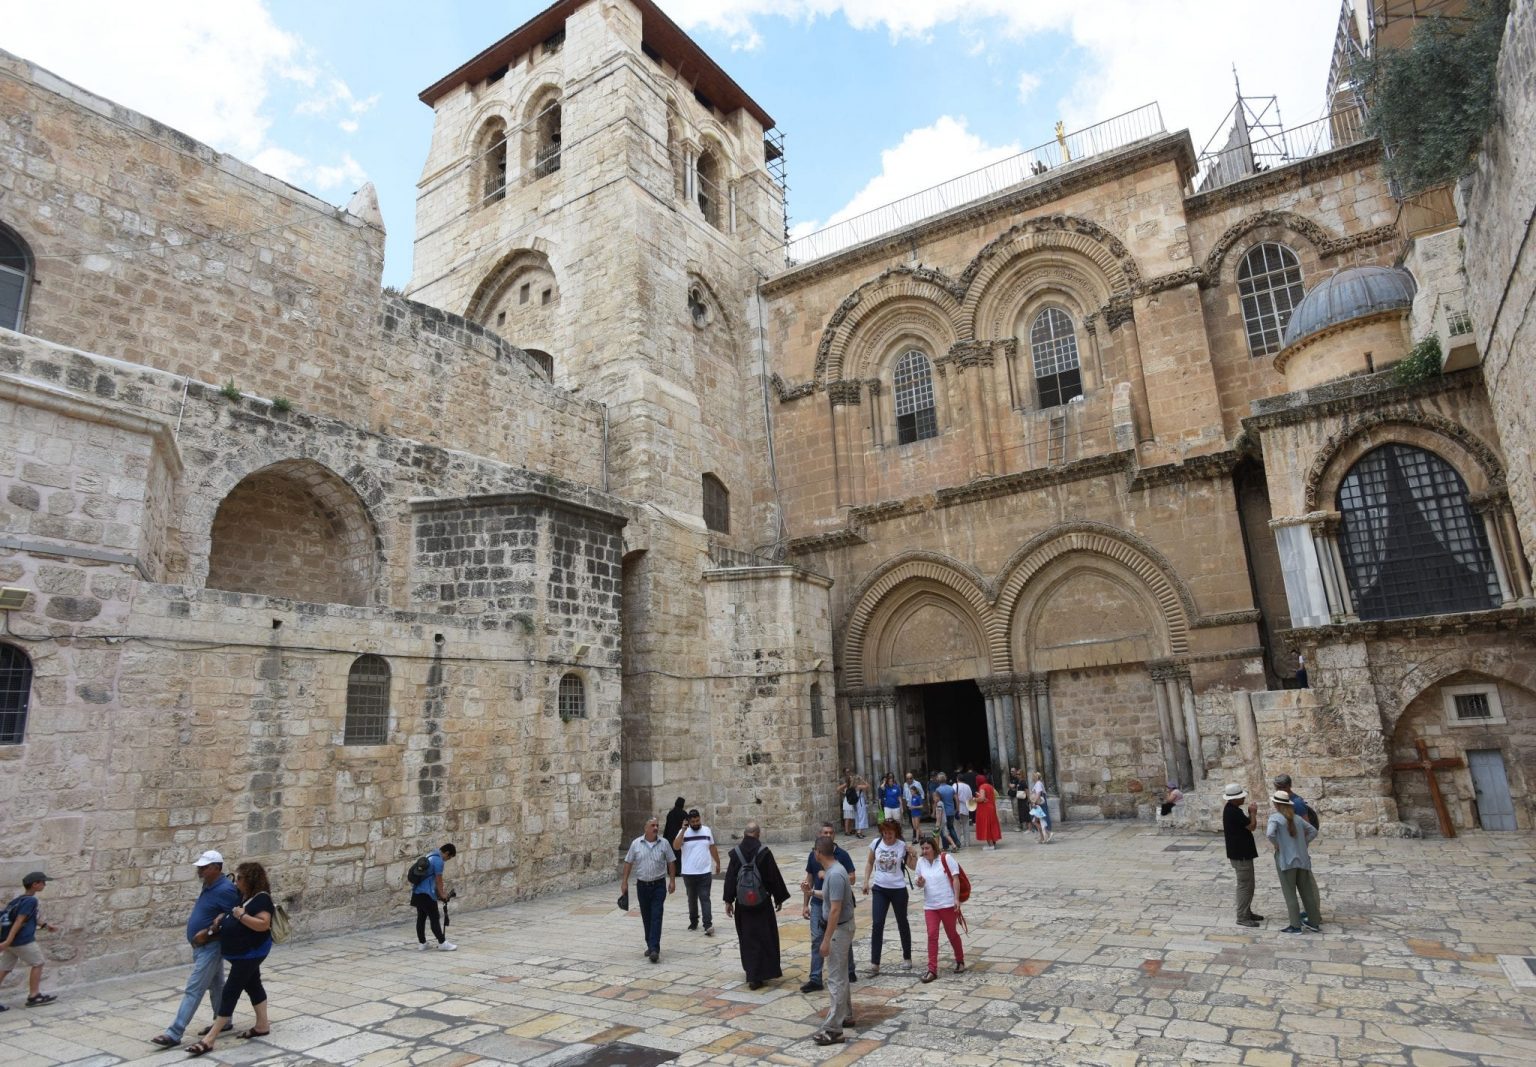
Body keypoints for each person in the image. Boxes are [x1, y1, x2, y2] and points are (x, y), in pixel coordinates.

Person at [150, 851, 242, 1046]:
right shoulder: (209, 884)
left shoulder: (225, 889)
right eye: (200, 866)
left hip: (211, 946)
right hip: (202, 946)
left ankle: (174, 1032)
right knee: (216, 985)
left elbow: (232, 921)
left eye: (204, 867)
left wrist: (208, 934)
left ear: (217, 868)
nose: (200, 870)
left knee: (194, 988)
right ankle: (224, 1020)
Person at [184, 861, 274, 1056]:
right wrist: (223, 918)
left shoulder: (262, 899)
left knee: (230, 991)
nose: (236, 881)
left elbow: (263, 924)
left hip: (251, 953)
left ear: (250, 880)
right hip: (241, 953)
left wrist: (240, 916)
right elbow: (234, 913)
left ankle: (210, 1039)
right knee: (253, 985)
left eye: (239, 878)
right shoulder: (244, 897)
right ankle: (262, 1025)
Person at [722, 821, 792, 990]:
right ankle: (765, 971)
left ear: (745, 834)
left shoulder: (735, 854)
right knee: (765, 936)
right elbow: (773, 877)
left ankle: (752, 974)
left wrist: (728, 900)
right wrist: (779, 898)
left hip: (743, 905)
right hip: (762, 903)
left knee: (747, 938)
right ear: (758, 834)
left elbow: (730, 878)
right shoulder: (764, 853)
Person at [799, 821, 856, 994]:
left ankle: (849, 969)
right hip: (818, 902)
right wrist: (805, 904)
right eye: (825, 833)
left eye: (831, 833)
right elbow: (809, 878)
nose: (829, 835)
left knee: (841, 937)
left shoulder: (841, 856)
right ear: (819, 835)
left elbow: (852, 878)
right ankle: (815, 978)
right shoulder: (813, 856)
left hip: (836, 902)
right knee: (817, 939)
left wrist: (833, 876)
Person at [811, 835, 856, 1047]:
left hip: (839, 930)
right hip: (840, 929)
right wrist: (811, 892)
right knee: (841, 974)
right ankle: (846, 1014)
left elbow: (836, 909)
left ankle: (833, 1030)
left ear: (819, 852)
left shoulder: (836, 874)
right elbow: (830, 897)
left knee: (836, 978)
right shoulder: (833, 872)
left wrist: (826, 940)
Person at [862, 819, 914, 976]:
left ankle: (907, 957)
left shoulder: (901, 846)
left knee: (902, 922)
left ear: (896, 833)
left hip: (898, 889)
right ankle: (874, 963)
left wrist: (913, 854)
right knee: (877, 924)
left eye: (890, 833)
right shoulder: (876, 843)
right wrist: (866, 881)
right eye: (885, 833)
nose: (887, 836)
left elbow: (912, 866)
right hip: (880, 889)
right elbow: (870, 863)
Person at [620, 816, 676, 963]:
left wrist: (672, 881)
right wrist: (624, 882)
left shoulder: (664, 843)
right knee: (646, 916)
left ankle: (654, 949)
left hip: (658, 885)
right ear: (646, 828)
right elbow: (628, 862)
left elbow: (671, 862)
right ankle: (650, 944)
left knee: (656, 915)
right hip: (642, 886)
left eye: (657, 825)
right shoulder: (636, 844)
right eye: (652, 825)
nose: (656, 828)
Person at [1266, 791, 1323, 934]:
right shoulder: (1297, 819)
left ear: (1276, 804)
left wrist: (1278, 844)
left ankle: (1295, 925)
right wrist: (1303, 843)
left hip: (1286, 859)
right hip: (1302, 859)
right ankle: (1314, 922)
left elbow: (1269, 834)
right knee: (1307, 892)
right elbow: (1313, 831)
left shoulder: (1275, 818)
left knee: (1290, 892)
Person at [0, 871, 57, 1010]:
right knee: (38, 963)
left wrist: (45, 925)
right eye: (43, 882)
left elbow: (27, 918)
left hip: (10, 942)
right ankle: (34, 995)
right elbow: (19, 921)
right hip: (22, 940)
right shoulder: (31, 900)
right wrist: (8, 940)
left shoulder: (17, 900)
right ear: (35, 884)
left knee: (4, 969)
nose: (45, 884)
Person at [913, 837, 965, 982]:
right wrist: (920, 882)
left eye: (927, 848)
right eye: (922, 848)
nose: (924, 851)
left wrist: (956, 899)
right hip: (930, 906)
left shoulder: (946, 858)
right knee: (932, 935)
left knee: (952, 934)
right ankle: (932, 969)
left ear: (934, 848)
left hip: (947, 904)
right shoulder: (920, 862)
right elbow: (918, 880)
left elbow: (956, 878)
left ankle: (960, 960)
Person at [1221, 784, 1264, 928]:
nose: (1244, 798)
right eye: (1241, 797)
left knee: (1248, 885)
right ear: (1235, 799)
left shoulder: (1232, 810)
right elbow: (1252, 826)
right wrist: (1253, 813)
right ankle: (1242, 916)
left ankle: (1247, 912)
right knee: (1245, 886)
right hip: (1241, 855)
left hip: (1240, 853)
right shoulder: (1233, 812)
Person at [673, 809, 720, 936]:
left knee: (705, 898)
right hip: (689, 873)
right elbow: (676, 846)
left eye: (697, 820)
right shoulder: (683, 832)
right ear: (688, 821)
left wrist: (718, 862)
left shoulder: (706, 830)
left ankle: (708, 924)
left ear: (700, 819)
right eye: (693, 821)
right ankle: (693, 922)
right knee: (691, 898)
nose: (695, 823)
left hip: (704, 872)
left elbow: (712, 847)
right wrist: (683, 830)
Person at [410, 842, 458, 951]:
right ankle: (442, 943)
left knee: (421, 918)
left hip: (417, 892)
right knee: (434, 918)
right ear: (446, 853)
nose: (447, 860)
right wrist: (442, 894)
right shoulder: (438, 861)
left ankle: (422, 943)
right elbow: (438, 880)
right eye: (448, 857)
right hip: (427, 894)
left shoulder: (430, 856)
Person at [972, 773, 1002, 850]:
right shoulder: (990, 786)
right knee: (991, 825)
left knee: (986, 826)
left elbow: (982, 798)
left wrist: (975, 799)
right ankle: (993, 842)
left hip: (985, 810)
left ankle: (991, 845)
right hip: (991, 808)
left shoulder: (982, 787)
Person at [932, 774, 960, 851]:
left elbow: (935, 803)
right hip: (951, 811)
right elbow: (956, 799)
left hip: (943, 813)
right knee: (951, 827)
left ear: (938, 780)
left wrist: (933, 812)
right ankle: (957, 842)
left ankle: (945, 846)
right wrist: (957, 809)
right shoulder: (951, 788)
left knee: (942, 831)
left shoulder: (938, 790)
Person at [903, 772, 925, 839]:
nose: (909, 780)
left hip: (916, 805)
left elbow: (922, 793)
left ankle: (916, 836)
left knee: (916, 822)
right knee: (912, 822)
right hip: (909, 805)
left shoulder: (917, 784)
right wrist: (904, 806)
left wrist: (920, 802)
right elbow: (904, 795)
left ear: (913, 778)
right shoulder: (905, 784)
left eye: (910, 778)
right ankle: (921, 835)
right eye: (907, 779)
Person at [954, 776, 973, 848]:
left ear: (957, 779)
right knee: (966, 826)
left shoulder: (955, 785)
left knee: (957, 826)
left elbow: (953, 796)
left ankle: (958, 842)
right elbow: (970, 797)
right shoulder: (968, 786)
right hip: (966, 807)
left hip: (957, 807)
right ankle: (967, 842)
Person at [839, 771, 858, 836]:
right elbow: (838, 789)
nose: (852, 779)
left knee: (851, 817)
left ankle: (850, 830)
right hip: (847, 802)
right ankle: (846, 831)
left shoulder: (853, 785)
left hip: (852, 802)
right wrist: (844, 793)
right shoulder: (846, 785)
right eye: (851, 778)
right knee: (847, 817)